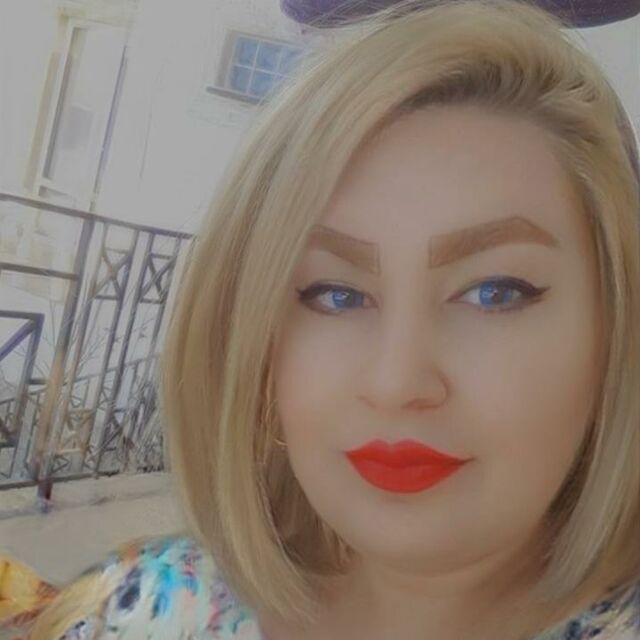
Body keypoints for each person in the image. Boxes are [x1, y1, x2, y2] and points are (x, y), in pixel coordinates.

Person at [23, 0, 640, 638]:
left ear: (616, 331)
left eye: (494, 292)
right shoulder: (139, 614)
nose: (396, 382)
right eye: (336, 295)